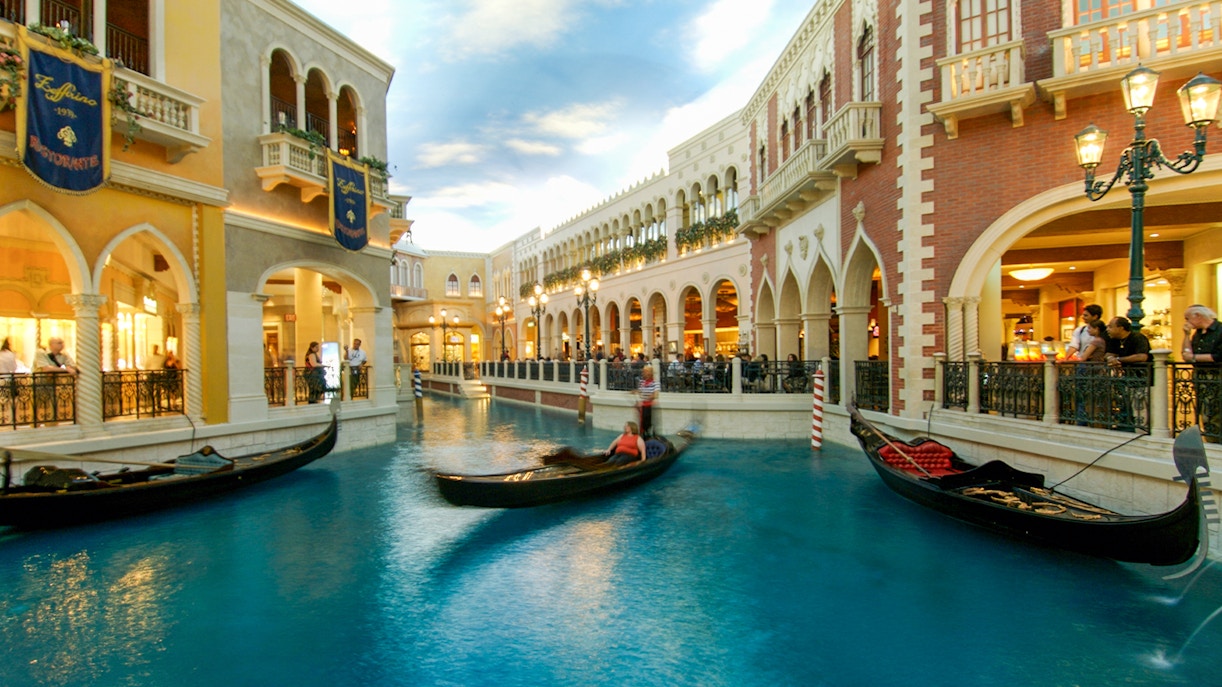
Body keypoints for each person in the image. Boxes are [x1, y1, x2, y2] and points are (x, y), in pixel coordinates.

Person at [1181, 304, 1222, 442]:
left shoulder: (1220, 330)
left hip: (1216, 376)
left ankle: (1216, 442)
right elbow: (1186, 354)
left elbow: (1218, 356)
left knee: (1215, 411)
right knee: (1205, 411)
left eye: (1188, 318)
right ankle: (1210, 440)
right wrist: (1186, 335)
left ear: (1198, 316)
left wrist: (1194, 358)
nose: (1186, 321)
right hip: (1201, 376)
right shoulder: (1197, 334)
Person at [1105, 317, 1152, 431]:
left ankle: (1141, 431)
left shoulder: (1138, 338)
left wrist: (1119, 359)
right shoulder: (1114, 340)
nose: (1107, 329)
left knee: (1140, 409)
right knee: (1130, 406)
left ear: (1121, 328)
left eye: (1110, 326)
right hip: (1128, 379)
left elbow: (1142, 356)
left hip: (1143, 379)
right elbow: (1108, 354)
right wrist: (1111, 358)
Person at [636, 366, 659, 436]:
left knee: (646, 418)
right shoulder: (641, 382)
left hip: (648, 404)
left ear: (650, 373)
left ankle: (647, 432)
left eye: (645, 372)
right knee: (642, 420)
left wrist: (649, 397)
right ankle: (643, 433)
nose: (643, 373)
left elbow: (656, 395)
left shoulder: (655, 383)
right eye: (643, 372)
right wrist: (635, 392)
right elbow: (640, 392)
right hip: (642, 404)